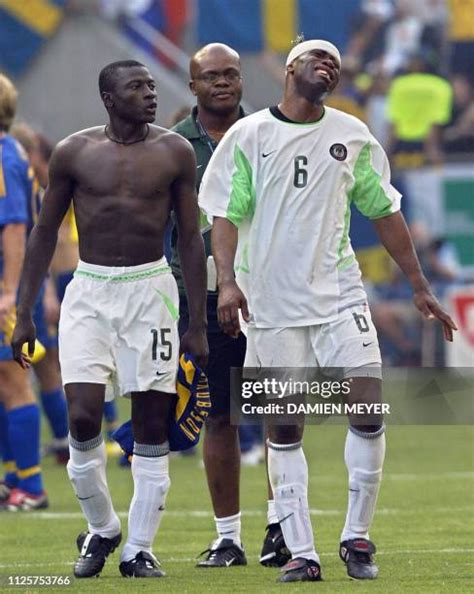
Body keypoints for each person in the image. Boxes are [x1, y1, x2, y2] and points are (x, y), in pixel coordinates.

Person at [199, 39, 457, 583]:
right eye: (320, 59)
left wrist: (418, 284)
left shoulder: (352, 136)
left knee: (367, 408)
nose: (329, 67)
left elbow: (384, 210)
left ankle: (356, 537)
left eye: (336, 63)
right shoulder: (250, 137)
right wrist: (227, 283)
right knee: (284, 427)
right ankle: (301, 552)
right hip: (269, 304)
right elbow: (224, 215)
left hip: (340, 296)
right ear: (291, 69)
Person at [11, 60, 208, 579]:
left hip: (152, 291)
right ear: (108, 97)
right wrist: (23, 311)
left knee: (149, 422)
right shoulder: (74, 153)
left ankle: (138, 548)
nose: (149, 95)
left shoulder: (175, 151)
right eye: (136, 87)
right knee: (81, 417)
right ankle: (102, 527)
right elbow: (43, 231)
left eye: (150, 86)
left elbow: (189, 237)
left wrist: (197, 323)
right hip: (90, 290)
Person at [169, 42, 249, 567]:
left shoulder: (269, 133)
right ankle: (229, 537)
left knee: (281, 416)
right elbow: (159, 225)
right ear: (193, 85)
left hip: (270, 295)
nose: (222, 82)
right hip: (200, 298)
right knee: (218, 415)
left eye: (230, 74)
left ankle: (286, 531)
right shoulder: (172, 146)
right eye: (210, 76)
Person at [0, 75, 48, 511]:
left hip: (4, 286)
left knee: (14, 380)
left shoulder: (2, 154)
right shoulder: (11, 151)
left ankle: (31, 487)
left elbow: (14, 225)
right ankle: (14, 475)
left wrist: (10, 292)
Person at [10, 123, 70, 465]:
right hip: (30, 287)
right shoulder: (29, 184)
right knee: (43, 366)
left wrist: (46, 292)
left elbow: (34, 240)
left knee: (40, 367)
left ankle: (38, 465)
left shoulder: (23, 183)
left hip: (25, 288)